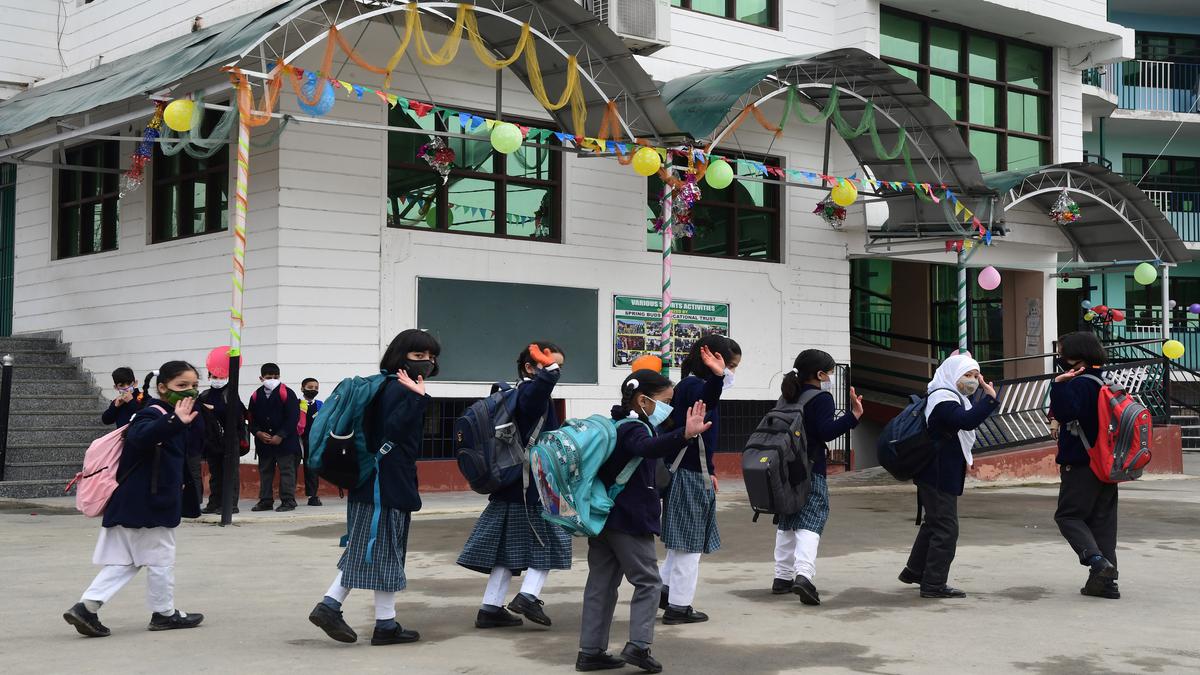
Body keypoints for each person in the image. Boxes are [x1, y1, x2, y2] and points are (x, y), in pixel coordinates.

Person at [308, 329, 439, 646]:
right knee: (371, 550)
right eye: (418, 356)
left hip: (377, 481)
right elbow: (392, 430)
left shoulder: (381, 386)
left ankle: (385, 624)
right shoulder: (398, 389)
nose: (427, 363)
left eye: (431, 358)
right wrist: (418, 399)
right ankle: (330, 604)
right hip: (384, 484)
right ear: (400, 356)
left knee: (383, 553)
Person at [576, 370, 710, 673]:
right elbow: (645, 448)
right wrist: (684, 434)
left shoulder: (616, 424)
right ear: (643, 400)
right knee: (649, 582)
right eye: (664, 401)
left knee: (601, 584)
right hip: (630, 518)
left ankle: (590, 651)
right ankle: (638, 646)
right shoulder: (635, 427)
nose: (667, 408)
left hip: (604, 518)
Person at [63, 361, 205, 637]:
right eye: (182, 386)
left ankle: (86, 608)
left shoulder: (176, 412)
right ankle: (164, 614)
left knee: (125, 561)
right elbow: (141, 437)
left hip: (135, 502)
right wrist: (174, 421)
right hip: (149, 502)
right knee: (161, 558)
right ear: (162, 387)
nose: (189, 391)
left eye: (194, 386)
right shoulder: (151, 413)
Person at [458, 342, 572, 629]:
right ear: (529, 367)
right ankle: (528, 596)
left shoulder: (510, 396)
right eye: (547, 365)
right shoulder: (529, 395)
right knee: (551, 541)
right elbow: (540, 391)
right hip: (532, 487)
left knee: (507, 552)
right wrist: (548, 374)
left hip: (511, 484)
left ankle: (490, 608)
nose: (556, 372)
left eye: (558, 366)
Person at [900, 353, 999, 599]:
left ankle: (914, 571)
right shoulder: (943, 398)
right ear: (952, 374)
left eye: (976, 375)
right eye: (967, 375)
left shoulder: (951, 397)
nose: (973, 380)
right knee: (946, 528)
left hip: (938, 471)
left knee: (935, 522)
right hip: (937, 472)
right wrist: (989, 399)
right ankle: (933, 584)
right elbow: (965, 422)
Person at [771, 350, 863, 604]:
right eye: (830, 373)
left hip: (784, 467)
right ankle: (804, 576)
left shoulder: (788, 394)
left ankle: (782, 577)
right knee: (811, 519)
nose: (831, 378)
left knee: (788, 518)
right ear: (820, 374)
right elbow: (826, 431)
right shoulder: (821, 398)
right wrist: (853, 417)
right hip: (810, 467)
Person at [658, 336, 737, 624]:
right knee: (689, 546)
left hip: (693, 472)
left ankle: (663, 592)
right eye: (728, 365)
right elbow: (709, 398)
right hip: (689, 474)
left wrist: (712, 470)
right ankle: (679, 607)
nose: (730, 372)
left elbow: (705, 439)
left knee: (681, 542)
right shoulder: (694, 386)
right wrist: (717, 376)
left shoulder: (689, 386)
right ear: (711, 360)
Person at [1050, 331, 1121, 599]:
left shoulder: (1079, 383)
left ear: (1074, 354)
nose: (1060, 356)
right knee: (1102, 523)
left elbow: (1066, 412)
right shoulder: (1107, 379)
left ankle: (1096, 561)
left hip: (1082, 462)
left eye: (1062, 351)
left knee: (1068, 516)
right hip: (1109, 463)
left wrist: (1058, 384)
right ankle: (1106, 583)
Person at [248, 363, 301, 512]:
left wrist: (280, 435)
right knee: (265, 471)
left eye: (275, 377)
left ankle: (288, 500)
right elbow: (251, 418)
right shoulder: (256, 395)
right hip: (264, 443)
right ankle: (265, 500)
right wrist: (257, 432)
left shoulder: (287, 393)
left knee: (286, 471)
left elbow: (293, 417)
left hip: (285, 442)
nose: (272, 379)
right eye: (268, 377)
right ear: (261, 378)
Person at [199, 347, 245, 515]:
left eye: (221, 377)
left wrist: (215, 408)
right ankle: (214, 502)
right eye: (215, 377)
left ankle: (231, 504)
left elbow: (237, 414)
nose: (217, 380)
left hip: (230, 439)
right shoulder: (204, 395)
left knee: (230, 472)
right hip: (212, 441)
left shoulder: (231, 393)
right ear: (209, 376)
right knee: (215, 473)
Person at [298, 378, 323, 507]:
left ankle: (312, 495)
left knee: (312, 469)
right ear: (302, 388)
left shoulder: (320, 405)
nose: (313, 390)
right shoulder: (297, 404)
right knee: (292, 468)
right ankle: (289, 497)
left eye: (316, 388)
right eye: (310, 387)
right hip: (297, 440)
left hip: (313, 441)